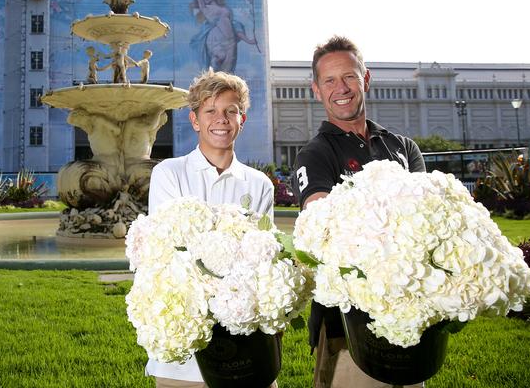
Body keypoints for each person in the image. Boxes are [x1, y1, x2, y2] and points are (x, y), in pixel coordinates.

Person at [291, 35, 426, 388]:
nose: (342, 88)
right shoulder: (314, 155)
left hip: (411, 316)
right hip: (347, 327)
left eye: (350, 76)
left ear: (366, 78)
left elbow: (427, 221)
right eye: (329, 80)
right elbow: (323, 232)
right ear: (316, 90)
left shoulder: (403, 148)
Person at [146, 69, 276, 388]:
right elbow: (168, 255)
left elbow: (263, 259)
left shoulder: (259, 184)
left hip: (247, 345)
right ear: (195, 120)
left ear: (241, 120)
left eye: (230, 111)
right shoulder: (169, 174)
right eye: (211, 111)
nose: (221, 119)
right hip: (183, 357)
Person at [188, 0, 257, 72]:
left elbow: (235, 26)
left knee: (227, 72)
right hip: (217, 41)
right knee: (218, 60)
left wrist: (248, 40)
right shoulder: (206, 9)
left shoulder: (224, 8)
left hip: (231, 42)